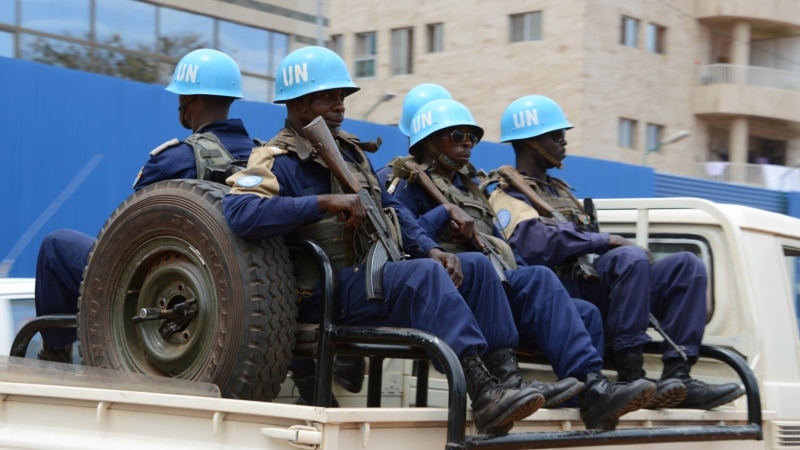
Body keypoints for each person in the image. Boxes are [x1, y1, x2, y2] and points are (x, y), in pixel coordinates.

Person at [223, 46, 545, 435]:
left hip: (368, 279)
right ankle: (481, 390)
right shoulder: (275, 158)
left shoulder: (351, 155)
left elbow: (394, 209)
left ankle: (505, 379)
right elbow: (240, 213)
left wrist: (433, 248)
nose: (340, 105)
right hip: (324, 293)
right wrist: (324, 202)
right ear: (298, 102)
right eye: (329, 97)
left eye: (342, 97)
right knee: (422, 276)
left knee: (473, 267)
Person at [381, 97, 657, 430]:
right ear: (428, 142)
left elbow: (504, 245)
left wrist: (519, 272)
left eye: (472, 137)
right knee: (492, 271)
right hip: (451, 289)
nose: (467, 143)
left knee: (556, 290)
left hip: (494, 282)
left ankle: (591, 388)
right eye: (457, 136)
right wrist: (443, 214)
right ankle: (509, 382)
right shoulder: (405, 183)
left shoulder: (471, 188)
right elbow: (402, 241)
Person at [490, 94, 745, 410]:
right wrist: (607, 240)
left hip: (596, 285)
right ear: (531, 142)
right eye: (555, 135)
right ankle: (630, 373)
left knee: (686, 265)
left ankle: (678, 373)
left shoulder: (559, 191)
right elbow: (537, 243)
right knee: (629, 257)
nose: (563, 141)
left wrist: (605, 243)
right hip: (564, 296)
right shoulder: (506, 196)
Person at [35, 48, 257, 363]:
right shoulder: (264, 158)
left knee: (55, 247)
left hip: (167, 282)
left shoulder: (176, 159)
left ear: (189, 101)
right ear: (230, 100)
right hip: (245, 292)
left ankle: (54, 356)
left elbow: (125, 232)